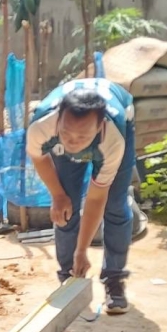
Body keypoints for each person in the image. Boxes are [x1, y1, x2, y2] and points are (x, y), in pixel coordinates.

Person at [26, 78, 136, 314]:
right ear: (58, 119)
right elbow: (39, 157)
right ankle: (69, 277)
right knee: (65, 208)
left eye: (82, 137)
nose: (73, 143)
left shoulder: (113, 137)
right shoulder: (42, 125)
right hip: (66, 132)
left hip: (118, 124)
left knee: (115, 205)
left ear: (99, 127)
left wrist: (82, 250)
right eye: (66, 133)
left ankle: (114, 279)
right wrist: (57, 195)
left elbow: (96, 198)